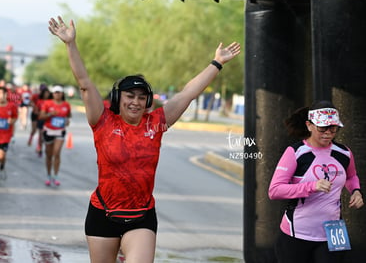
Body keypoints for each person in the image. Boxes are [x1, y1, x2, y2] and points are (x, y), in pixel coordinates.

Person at [48, 15, 240, 263]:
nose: (135, 102)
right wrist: (70, 44)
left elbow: (187, 94)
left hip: (141, 217)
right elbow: (84, 84)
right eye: (130, 96)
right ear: (119, 98)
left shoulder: (157, 122)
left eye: (141, 97)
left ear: (147, 101)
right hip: (102, 213)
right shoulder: (103, 120)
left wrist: (217, 62)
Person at [268, 100, 364, 263]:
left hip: (334, 231)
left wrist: (356, 191)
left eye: (333, 128)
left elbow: (351, 176)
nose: (328, 133)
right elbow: (274, 191)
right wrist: (311, 186)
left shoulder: (344, 153)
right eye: (322, 128)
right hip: (297, 232)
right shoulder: (296, 152)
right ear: (309, 125)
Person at [39, 85, 71, 186]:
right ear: (53, 94)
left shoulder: (66, 105)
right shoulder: (47, 103)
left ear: (62, 94)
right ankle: (49, 175)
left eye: (59, 92)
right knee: (49, 155)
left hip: (60, 131)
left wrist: (66, 122)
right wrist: (50, 114)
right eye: (55, 92)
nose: (57, 94)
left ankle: (56, 176)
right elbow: (41, 116)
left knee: (56, 153)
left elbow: (68, 116)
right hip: (48, 131)